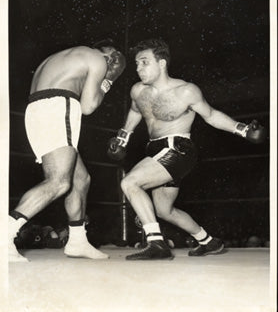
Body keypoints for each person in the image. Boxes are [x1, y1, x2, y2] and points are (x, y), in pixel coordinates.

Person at [107, 38, 266, 260]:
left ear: (162, 63)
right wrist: (123, 138)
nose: (138, 68)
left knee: (130, 182)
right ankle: (208, 241)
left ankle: (156, 243)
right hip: (155, 151)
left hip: (177, 148)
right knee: (164, 210)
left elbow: (211, 115)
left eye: (144, 62)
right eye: (136, 63)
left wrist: (243, 129)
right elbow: (135, 112)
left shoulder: (185, 91)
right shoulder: (137, 91)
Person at [9, 40, 126, 262]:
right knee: (59, 182)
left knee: (81, 179)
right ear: (108, 55)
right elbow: (88, 107)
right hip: (58, 107)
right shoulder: (98, 59)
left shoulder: (64, 56)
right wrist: (107, 81)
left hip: (38, 109)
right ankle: (5, 232)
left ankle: (77, 241)